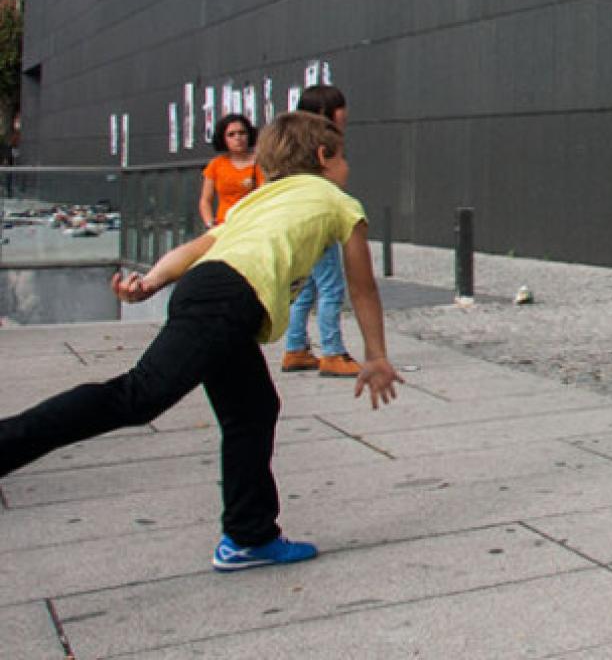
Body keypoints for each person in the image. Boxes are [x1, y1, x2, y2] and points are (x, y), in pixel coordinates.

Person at [0, 112, 402, 572]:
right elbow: (363, 286)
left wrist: (149, 283)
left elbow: (194, 250)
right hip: (229, 300)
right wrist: (377, 356)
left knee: (253, 410)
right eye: (344, 155)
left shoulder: (257, 202)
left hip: (208, 289)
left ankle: (249, 536)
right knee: (137, 396)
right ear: (323, 157)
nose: (347, 166)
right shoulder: (337, 200)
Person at [280, 85, 358, 376]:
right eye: (340, 107)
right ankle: (333, 352)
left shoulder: (291, 139)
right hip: (317, 217)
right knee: (331, 287)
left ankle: (295, 348)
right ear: (326, 111)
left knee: (305, 289)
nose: (345, 113)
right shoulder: (324, 141)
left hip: (297, 218)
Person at [199, 114, 262, 228]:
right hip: (224, 226)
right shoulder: (216, 165)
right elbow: (205, 201)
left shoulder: (261, 162)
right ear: (223, 139)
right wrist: (210, 224)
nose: (238, 138)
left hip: (253, 224)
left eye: (242, 133)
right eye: (231, 134)